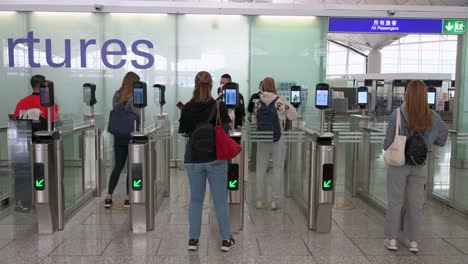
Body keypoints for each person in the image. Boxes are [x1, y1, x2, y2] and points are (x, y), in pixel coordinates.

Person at [383, 80, 448, 253]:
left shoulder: (397, 114)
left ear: (407, 95)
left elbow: (387, 142)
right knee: (416, 203)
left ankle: (392, 239)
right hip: (420, 165)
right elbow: (442, 138)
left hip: (398, 164)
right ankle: (414, 241)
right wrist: (428, 142)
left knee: (395, 201)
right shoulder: (433, 116)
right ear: (425, 96)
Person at [179, 71, 235, 252]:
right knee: (219, 200)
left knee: (196, 200)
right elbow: (226, 130)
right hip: (216, 158)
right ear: (211, 86)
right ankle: (226, 239)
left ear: (195, 85)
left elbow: (184, 132)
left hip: (193, 158)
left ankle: (193, 240)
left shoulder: (187, 107)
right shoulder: (219, 106)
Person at [252, 77, 297, 210]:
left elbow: (253, 120)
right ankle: (274, 201)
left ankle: (260, 200)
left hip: (262, 138)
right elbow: (293, 115)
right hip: (278, 138)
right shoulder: (280, 101)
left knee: (261, 169)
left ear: (263, 86)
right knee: (277, 169)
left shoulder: (258, 102)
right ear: (274, 86)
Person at [105, 71, 141, 209]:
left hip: (118, 135)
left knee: (118, 167)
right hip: (131, 136)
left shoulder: (116, 95)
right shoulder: (133, 97)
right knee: (131, 168)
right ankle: (127, 198)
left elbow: (116, 110)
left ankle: (109, 197)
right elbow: (138, 113)